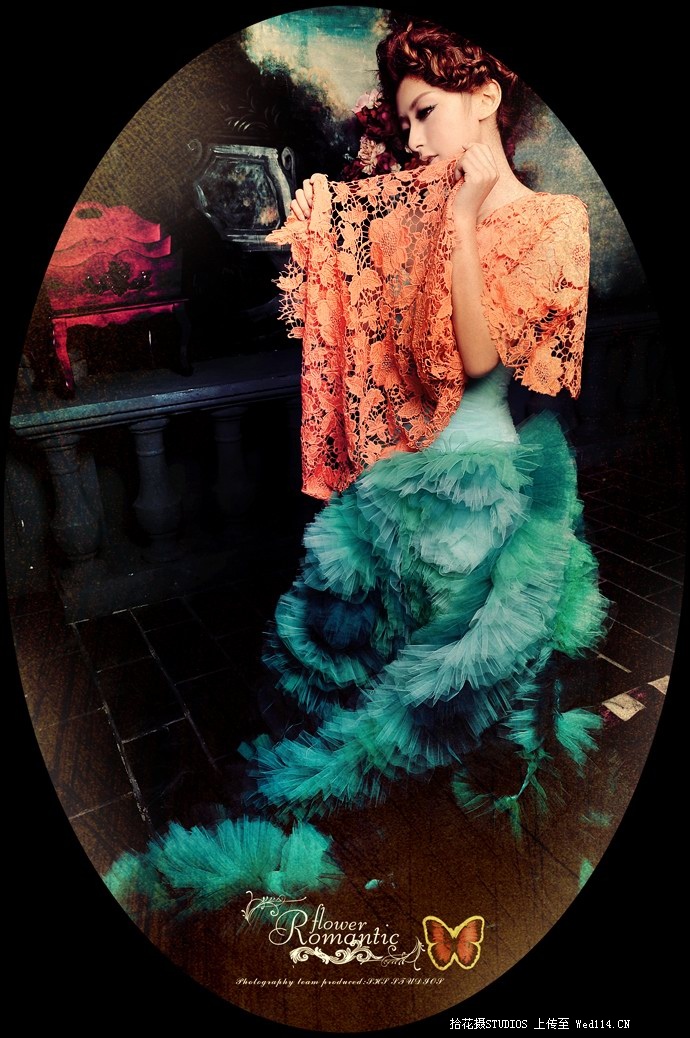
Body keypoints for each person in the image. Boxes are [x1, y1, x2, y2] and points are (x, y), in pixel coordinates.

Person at [105, 15, 609, 911]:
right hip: (399, 500)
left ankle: (476, 883)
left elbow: (484, 366)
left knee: (472, 715)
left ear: (485, 98)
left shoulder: (552, 221)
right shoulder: (411, 212)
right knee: (372, 699)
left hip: (488, 503)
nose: (412, 138)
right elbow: (379, 350)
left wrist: (458, 225)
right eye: (402, 120)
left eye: (425, 113)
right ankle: (400, 871)